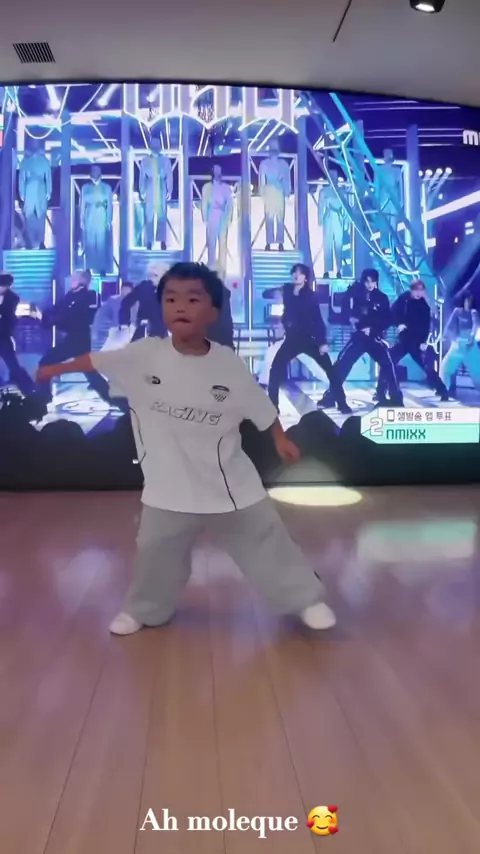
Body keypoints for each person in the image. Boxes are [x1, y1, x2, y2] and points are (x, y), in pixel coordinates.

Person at [37, 262, 336, 634]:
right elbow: (96, 360)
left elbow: (258, 404)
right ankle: (145, 609)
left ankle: (305, 601)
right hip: (167, 486)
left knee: (266, 539)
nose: (180, 307)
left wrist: (279, 437)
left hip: (229, 483)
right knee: (155, 552)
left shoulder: (227, 363)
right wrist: (53, 370)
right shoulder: (144, 354)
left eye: (192, 299)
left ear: (212, 311)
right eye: (171, 299)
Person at [266, 264, 351, 413]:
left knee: (330, 371)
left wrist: (322, 342)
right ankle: (273, 407)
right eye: (294, 272)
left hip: (310, 339)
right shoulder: (287, 290)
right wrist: (277, 290)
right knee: (275, 370)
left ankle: (342, 403)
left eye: (300, 273)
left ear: (305, 277)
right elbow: (266, 294)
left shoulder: (310, 296)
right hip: (292, 340)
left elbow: (317, 319)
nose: (296, 275)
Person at [318, 268, 402, 408]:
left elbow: (387, 319)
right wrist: (352, 320)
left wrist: (373, 330)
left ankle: (396, 398)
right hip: (359, 337)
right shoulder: (356, 294)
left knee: (388, 364)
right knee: (342, 364)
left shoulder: (382, 298)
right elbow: (346, 309)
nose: (370, 284)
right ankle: (331, 396)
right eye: (367, 281)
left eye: (372, 281)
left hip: (374, 338)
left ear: (376, 282)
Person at [36, 270, 111, 406]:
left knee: (46, 363)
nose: (71, 280)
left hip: (79, 340)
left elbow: (73, 317)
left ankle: (43, 398)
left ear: (82, 281)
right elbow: (57, 309)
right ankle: (115, 398)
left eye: (74, 278)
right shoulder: (70, 295)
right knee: (90, 373)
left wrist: (54, 320)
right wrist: (43, 315)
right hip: (72, 339)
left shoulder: (89, 297)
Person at [375, 280, 449, 404]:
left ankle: (442, 390)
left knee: (426, 367)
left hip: (416, 342)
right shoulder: (403, 299)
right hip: (403, 340)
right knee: (387, 362)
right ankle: (380, 392)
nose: (418, 293)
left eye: (421, 290)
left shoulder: (424, 306)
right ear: (411, 290)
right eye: (416, 290)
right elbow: (393, 312)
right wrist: (399, 323)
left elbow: (425, 326)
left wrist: (423, 341)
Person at [0, 272, 36, 395]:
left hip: (3, 335)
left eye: (4, 286)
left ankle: (29, 391)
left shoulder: (13, 298)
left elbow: (8, 315)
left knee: (13, 364)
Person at [440, 292, 480, 392]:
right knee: (445, 369)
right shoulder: (457, 311)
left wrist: (472, 337)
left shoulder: (474, 312)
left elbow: (475, 325)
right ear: (463, 300)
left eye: (470, 300)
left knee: (478, 373)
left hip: (470, 345)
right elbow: (449, 328)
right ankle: (444, 390)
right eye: (467, 300)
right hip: (458, 345)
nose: (469, 302)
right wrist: (452, 338)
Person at [119, 262, 168, 341]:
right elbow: (126, 302)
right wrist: (124, 323)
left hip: (163, 329)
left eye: (155, 275)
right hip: (143, 327)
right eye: (150, 275)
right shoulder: (144, 287)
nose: (151, 278)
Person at [139, 136, 173, 250]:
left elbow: (169, 176)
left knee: (162, 215)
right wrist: (142, 191)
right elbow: (142, 177)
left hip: (161, 187)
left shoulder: (165, 160)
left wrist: (169, 189)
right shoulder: (145, 161)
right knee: (149, 216)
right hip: (150, 188)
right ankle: (149, 241)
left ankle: (162, 241)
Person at [18, 139, 52, 250]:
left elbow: (48, 178)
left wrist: (49, 191)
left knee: (40, 216)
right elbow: (21, 178)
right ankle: (31, 242)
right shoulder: (25, 161)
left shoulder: (44, 161)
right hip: (29, 191)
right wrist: (22, 192)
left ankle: (40, 241)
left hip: (40, 191)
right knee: (30, 217)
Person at [201, 164, 233, 277]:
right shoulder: (207, 187)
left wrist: (229, 218)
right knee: (211, 242)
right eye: (216, 171)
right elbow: (204, 202)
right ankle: (211, 267)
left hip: (222, 215)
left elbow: (230, 204)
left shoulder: (226, 187)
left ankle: (222, 268)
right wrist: (205, 217)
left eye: (219, 171)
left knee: (223, 243)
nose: (218, 173)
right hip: (212, 215)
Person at [80, 165, 113, 275]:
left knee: (101, 245)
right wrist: (81, 219)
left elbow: (110, 206)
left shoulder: (107, 188)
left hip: (101, 217)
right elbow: (82, 204)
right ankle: (89, 269)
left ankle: (102, 268)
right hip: (89, 217)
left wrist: (109, 220)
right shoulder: (85, 188)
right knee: (89, 245)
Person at [259, 140, 291, 251]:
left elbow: (287, 180)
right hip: (269, 192)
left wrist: (287, 191)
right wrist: (262, 192)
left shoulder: (283, 164)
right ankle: (269, 241)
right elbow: (262, 180)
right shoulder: (264, 164)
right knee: (269, 218)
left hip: (279, 192)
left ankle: (280, 242)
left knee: (280, 218)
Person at [91, 282, 137, 350]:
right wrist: (95, 331)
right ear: (121, 290)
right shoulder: (113, 302)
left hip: (129, 332)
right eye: (124, 291)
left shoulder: (135, 303)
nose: (125, 294)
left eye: (128, 292)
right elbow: (100, 316)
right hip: (116, 332)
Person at [319, 169, 345, 278]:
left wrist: (345, 221)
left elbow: (345, 208)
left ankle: (339, 270)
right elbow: (321, 207)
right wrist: (320, 219)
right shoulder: (324, 192)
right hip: (328, 217)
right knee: (327, 244)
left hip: (338, 218)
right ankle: (327, 270)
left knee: (339, 245)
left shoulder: (341, 192)